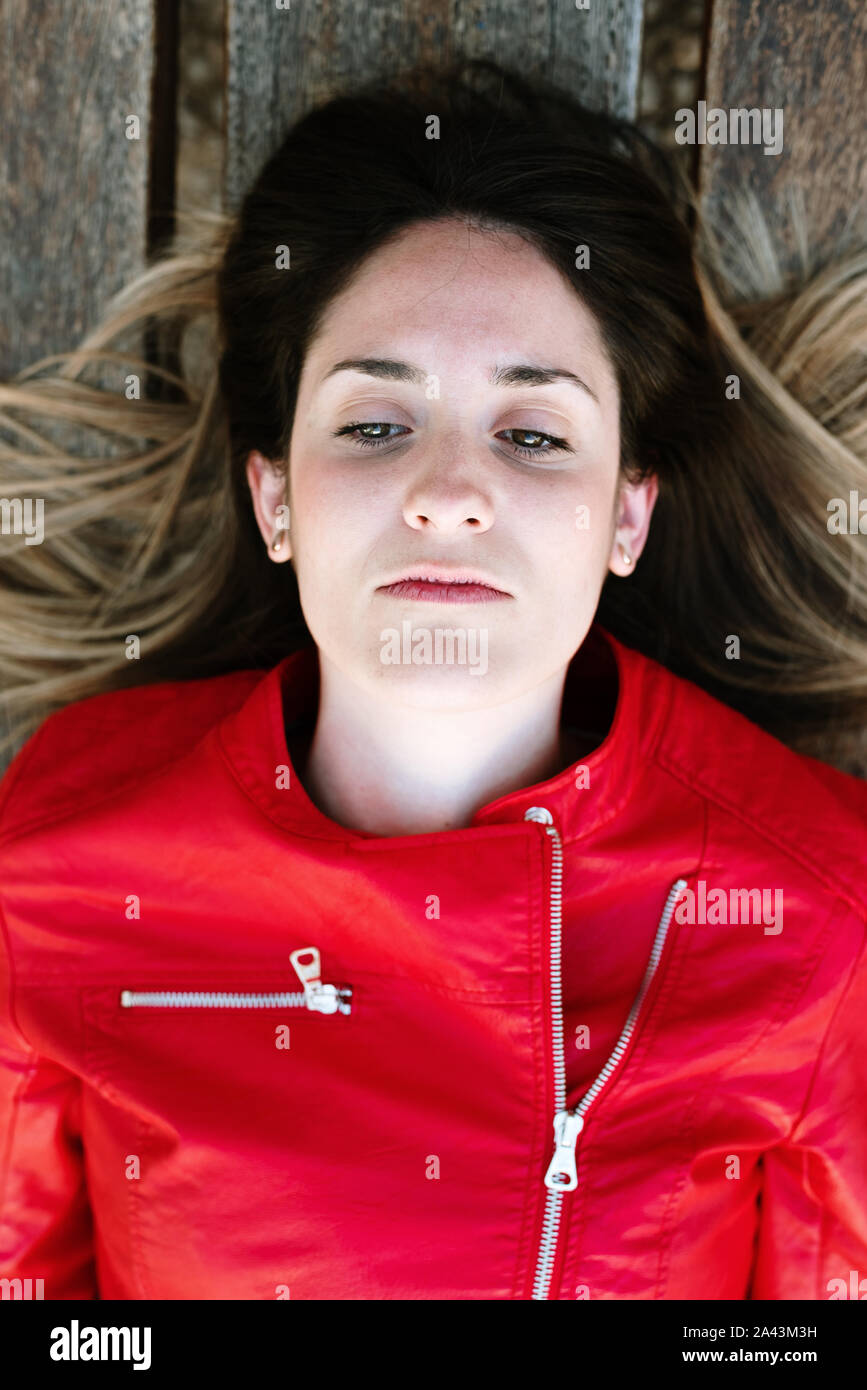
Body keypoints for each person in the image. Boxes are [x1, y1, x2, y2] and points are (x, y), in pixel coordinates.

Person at [0, 59, 865, 1301]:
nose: (449, 492)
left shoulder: (819, 920)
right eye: (373, 424)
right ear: (274, 498)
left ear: (628, 517)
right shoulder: (58, 856)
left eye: (532, 434)